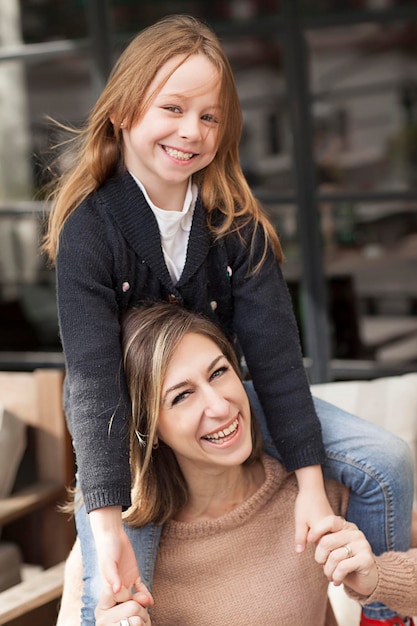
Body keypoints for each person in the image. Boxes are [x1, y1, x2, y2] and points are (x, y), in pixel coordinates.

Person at [42, 13, 414, 625]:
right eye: (173, 108)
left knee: (387, 460)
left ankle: (380, 613)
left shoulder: (234, 219)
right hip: (129, 425)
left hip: (220, 394)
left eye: (209, 116)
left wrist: (312, 491)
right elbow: (91, 381)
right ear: (124, 112)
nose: (192, 130)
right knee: (104, 583)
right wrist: (104, 525)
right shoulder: (90, 228)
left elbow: (274, 362)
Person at [55, 302, 416, 626]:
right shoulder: (120, 547)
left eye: (218, 373)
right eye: (182, 396)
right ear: (151, 429)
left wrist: (378, 577)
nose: (220, 405)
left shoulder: (315, 494)